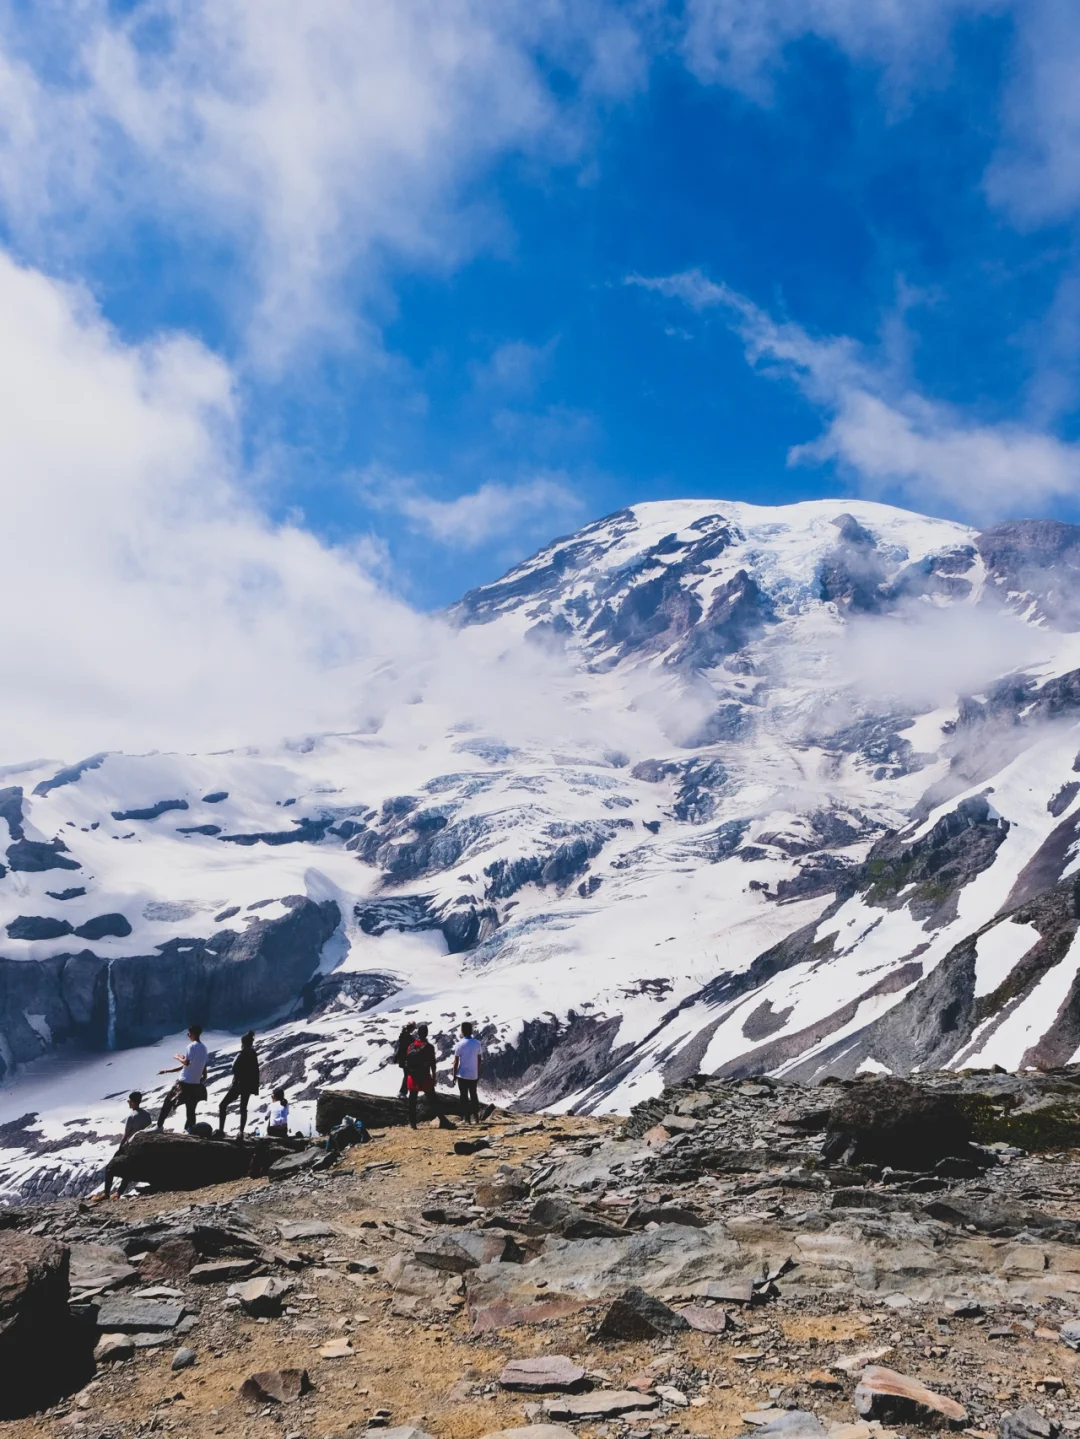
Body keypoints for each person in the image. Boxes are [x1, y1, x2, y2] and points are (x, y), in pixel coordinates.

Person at [157, 1024, 209, 1133]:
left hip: (184, 1082)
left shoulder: (191, 1046)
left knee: (168, 1103)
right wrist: (167, 1071)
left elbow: (186, 1062)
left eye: (189, 1033)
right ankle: (189, 1129)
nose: (188, 1035)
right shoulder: (204, 1048)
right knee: (191, 1109)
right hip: (195, 1083)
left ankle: (159, 1127)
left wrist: (178, 1057)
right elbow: (201, 1065)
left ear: (193, 1034)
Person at [102, 1091, 153, 1199]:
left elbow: (126, 1135)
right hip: (144, 1147)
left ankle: (106, 1193)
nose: (128, 1103)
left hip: (131, 1147)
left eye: (129, 1101)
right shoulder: (147, 1115)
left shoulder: (131, 1116)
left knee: (109, 1168)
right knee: (128, 1170)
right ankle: (118, 1193)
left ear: (133, 1102)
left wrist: (120, 1148)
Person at [217, 1030, 260, 1139]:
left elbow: (234, 1068)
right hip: (248, 1085)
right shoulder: (253, 1054)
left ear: (243, 1043)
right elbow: (255, 1071)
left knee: (223, 1105)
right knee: (243, 1108)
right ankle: (241, 1132)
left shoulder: (242, 1054)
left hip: (238, 1085)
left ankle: (221, 1130)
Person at [403, 1023, 437, 1129]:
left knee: (412, 1100)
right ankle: (442, 1119)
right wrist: (434, 1076)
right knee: (433, 1099)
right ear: (426, 1033)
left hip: (412, 1077)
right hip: (424, 1076)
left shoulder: (411, 1046)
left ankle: (413, 1123)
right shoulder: (429, 1047)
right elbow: (433, 1063)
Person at [452, 1021, 483, 1123]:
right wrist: (478, 1072)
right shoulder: (477, 1043)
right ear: (471, 1031)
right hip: (473, 1074)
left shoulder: (459, 1044)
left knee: (464, 1096)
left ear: (462, 1031)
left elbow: (456, 1061)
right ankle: (476, 1117)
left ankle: (467, 1119)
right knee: (474, 1095)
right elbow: (479, 1060)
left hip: (462, 1074)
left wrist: (454, 1075)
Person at [393, 1021, 417, 1096]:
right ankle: (402, 1092)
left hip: (404, 1060)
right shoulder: (408, 1038)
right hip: (407, 1060)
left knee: (407, 1075)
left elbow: (400, 1048)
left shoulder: (403, 1036)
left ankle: (403, 1092)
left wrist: (396, 1058)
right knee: (408, 1075)